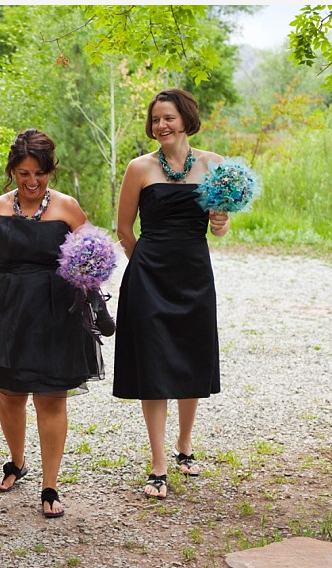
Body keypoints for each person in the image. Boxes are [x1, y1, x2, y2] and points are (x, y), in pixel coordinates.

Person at [0, 129, 103, 518]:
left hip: (55, 312)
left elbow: (93, 254)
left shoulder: (68, 208)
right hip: (5, 310)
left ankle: (51, 484)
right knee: (9, 394)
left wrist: (91, 272)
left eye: (39, 173)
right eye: (23, 173)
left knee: (51, 396)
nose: (31, 181)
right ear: (12, 171)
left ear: (50, 171)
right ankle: (16, 462)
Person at [112, 88, 230, 500]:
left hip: (194, 274)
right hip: (149, 276)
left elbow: (220, 225)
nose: (161, 125)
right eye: (156, 119)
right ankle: (158, 463)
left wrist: (220, 221)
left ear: (186, 119)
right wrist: (142, 263)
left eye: (169, 118)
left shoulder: (214, 165)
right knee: (155, 363)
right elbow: (125, 229)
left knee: (190, 357)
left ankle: (185, 446)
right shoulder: (139, 168)